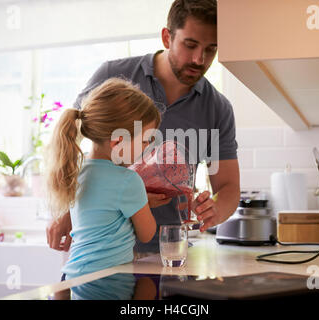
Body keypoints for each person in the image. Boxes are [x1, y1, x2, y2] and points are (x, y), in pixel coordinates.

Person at [47, 0, 240, 256]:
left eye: (211, 49)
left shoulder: (217, 109)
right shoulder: (113, 75)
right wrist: (65, 211)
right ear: (166, 37)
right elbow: (70, 137)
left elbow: (228, 188)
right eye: (190, 45)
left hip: (170, 252)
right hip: (100, 250)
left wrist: (214, 208)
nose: (199, 59)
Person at [45, 78, 161, 279]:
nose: (147, 148)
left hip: (74, 276)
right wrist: (143, 204)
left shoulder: (77, 171)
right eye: (144, 141)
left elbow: (102, 211)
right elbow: (147, 233)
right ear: (118, 142)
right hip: (108, 281)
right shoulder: (129, 180)